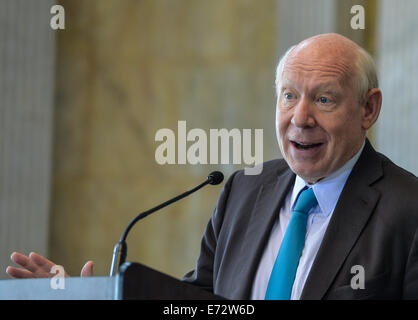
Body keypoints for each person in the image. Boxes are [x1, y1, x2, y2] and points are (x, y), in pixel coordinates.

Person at [6, 33, 418, 300]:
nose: (300, 118)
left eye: (323, 99)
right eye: (289, 96)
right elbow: (194, 302)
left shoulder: (408, 210)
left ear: (369, 108)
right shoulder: (245, 190)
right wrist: (93, 295)